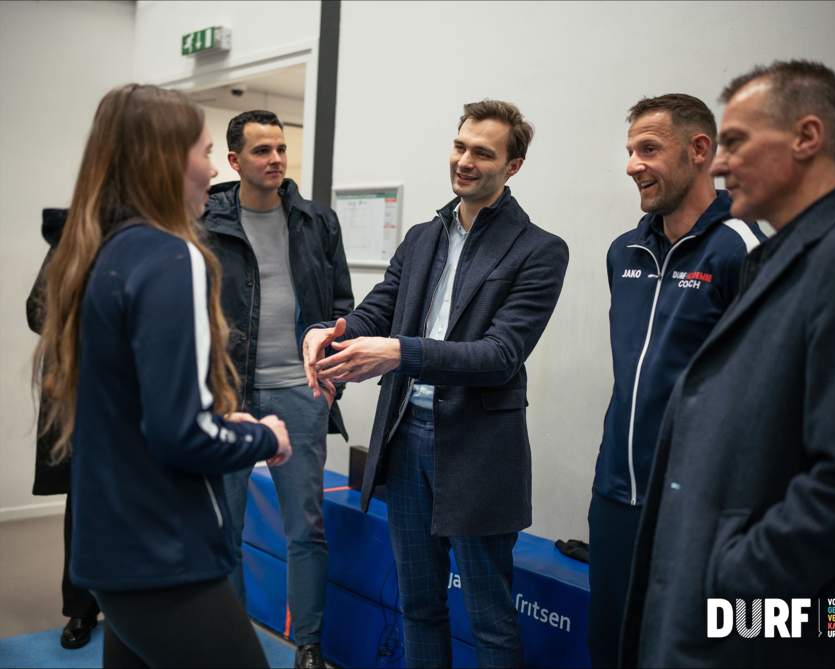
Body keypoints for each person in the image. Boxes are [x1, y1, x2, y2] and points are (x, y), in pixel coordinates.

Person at [622, 60, 835, 667]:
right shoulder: (785, 258)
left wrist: (730, 577)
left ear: (807, 137)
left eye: (736, 142)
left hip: (771, 611)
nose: (717, 163)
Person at [303, 99, 569, 668]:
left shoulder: (539, 250)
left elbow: (499, 356)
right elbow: (378, 311)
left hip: (476, 453)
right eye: (460, 146)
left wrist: (400, 352)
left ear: (513, 166)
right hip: (405, 443)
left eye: (483, 153)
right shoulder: (424, 235)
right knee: (418, 605)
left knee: (490, 619)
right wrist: (330, 330)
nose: (464, 161)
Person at [33, 83, 292, 668]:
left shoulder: (103, 250)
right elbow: (181, 435)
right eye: (203, 153)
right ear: (168, 161)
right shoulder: (170, 259)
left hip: (109, 548)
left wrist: (218, 419)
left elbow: (138, 407)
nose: (209, 169)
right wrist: (262, 436)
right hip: (163, 550)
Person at [588, 94, 764, 667]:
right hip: (617, 493)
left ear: (699, 151)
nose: (633, 164)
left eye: (649, 149)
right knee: (612, 647)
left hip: (700, 506)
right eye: (630, 150)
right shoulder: (624, 252)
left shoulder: (743, 248)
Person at [200, 109, 353, 669]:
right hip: (231, 396)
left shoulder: (316, 221)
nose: (275, 161)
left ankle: (308, 645)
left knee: (306, 527)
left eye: (281, 149)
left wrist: (333, 373)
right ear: (235, 161)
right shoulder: (205, 221)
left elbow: (342, 308)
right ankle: (233, 640)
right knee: (227, 525)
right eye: (262, 151)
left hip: (300, 392)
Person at [27, 209, 101, 650]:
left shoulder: (169, 231)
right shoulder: (75, 234)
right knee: (85, 506)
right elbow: (39, 310)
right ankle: (81, 609)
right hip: (88, 394)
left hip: (147, 400)